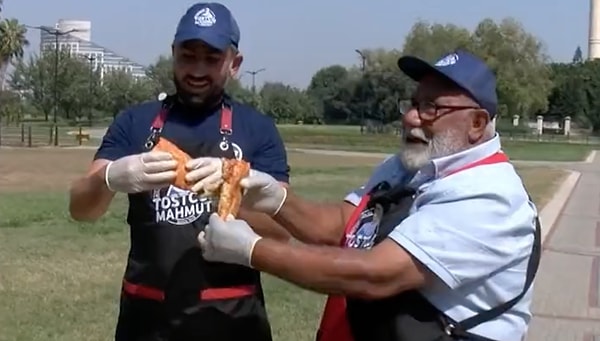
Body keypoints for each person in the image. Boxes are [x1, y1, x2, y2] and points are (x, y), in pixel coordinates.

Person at [192, 50, 541, 341]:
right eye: (414, 102)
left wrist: (252, 250)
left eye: (432, 107)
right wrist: (274, 197)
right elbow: (344, 224)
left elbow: (376, 274)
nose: (410, 116)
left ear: (477, 123)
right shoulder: (409, 164)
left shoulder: (490, 196)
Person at [68, 3, 290, 341]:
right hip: (147, 318)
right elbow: (81, 209)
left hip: (231, 318)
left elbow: (280, 232)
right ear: (173, 54)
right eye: (188, 56)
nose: (197, 69)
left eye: (212, 59)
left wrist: (227, 194)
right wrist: (110, 177)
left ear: (235, 63)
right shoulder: (134, 122)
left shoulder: (258, 130)